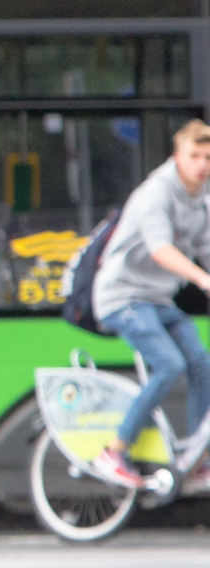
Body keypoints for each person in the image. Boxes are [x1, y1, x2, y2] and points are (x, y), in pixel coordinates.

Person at [93, 119, 210, 488]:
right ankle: (114, 450)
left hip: (157, 299)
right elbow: (161, 251)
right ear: (177, 157)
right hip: (123, 296)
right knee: (170, 364)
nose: (202, 164)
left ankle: (196, 456)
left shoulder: (201, 200)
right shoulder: (155, 194)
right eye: (194, 155)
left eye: (208, 157)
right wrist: (202, 279)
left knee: (201, 362)